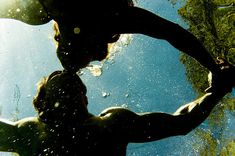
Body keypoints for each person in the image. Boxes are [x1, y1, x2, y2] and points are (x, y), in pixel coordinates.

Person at [0, 70, 233, 155]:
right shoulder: (29, 131)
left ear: (85, 96)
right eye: (55, 79)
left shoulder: (113, 123)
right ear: (45, 103)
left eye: (75, 83)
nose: (64, 76)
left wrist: (216, 90)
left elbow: (181, 122)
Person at [0, 0, 233, 75]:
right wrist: (212, 67)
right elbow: (171, 33)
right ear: (95, 47)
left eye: (67, 48)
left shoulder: (43, 11)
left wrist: (213, 67)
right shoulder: (113, 18)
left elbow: (171, 33)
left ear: (60, 40)